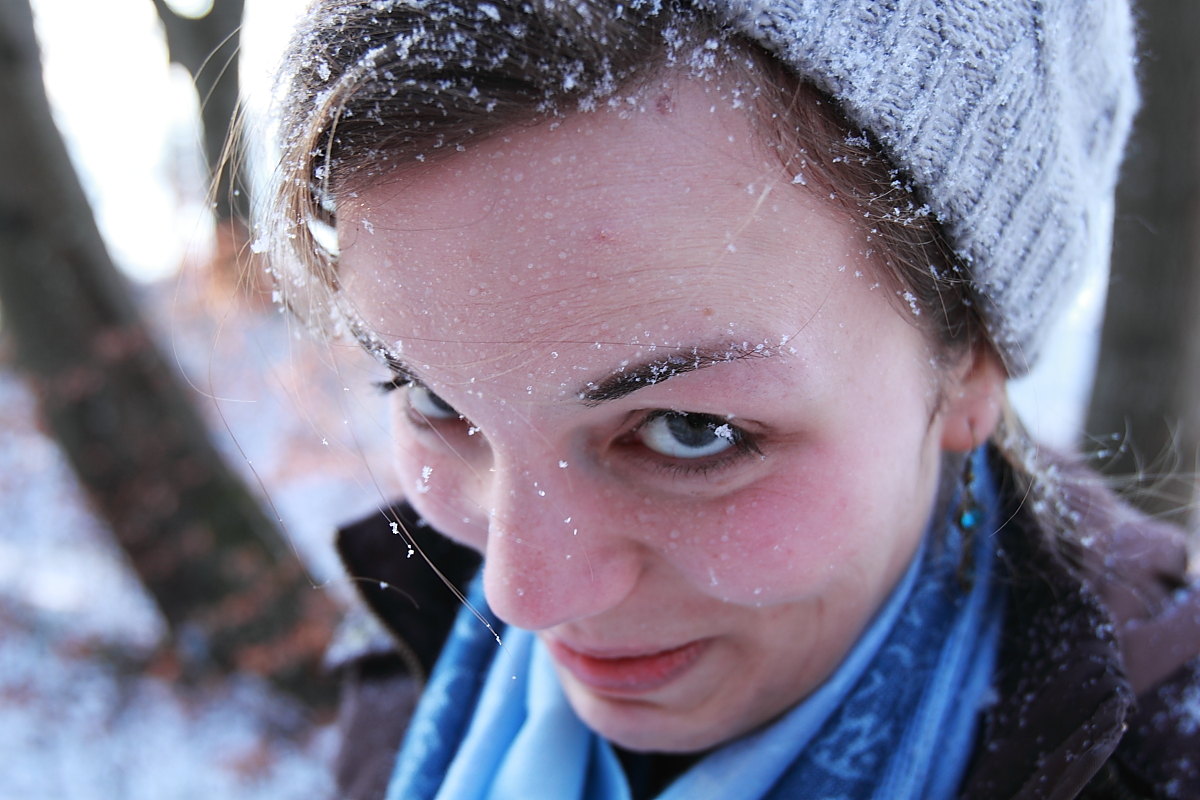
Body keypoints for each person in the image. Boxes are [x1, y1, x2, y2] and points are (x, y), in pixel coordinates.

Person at [260, 1, 1200, 798]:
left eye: (689, 431)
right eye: (429, 396)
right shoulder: (413, 661)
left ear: (972, 367)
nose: (520, 594)